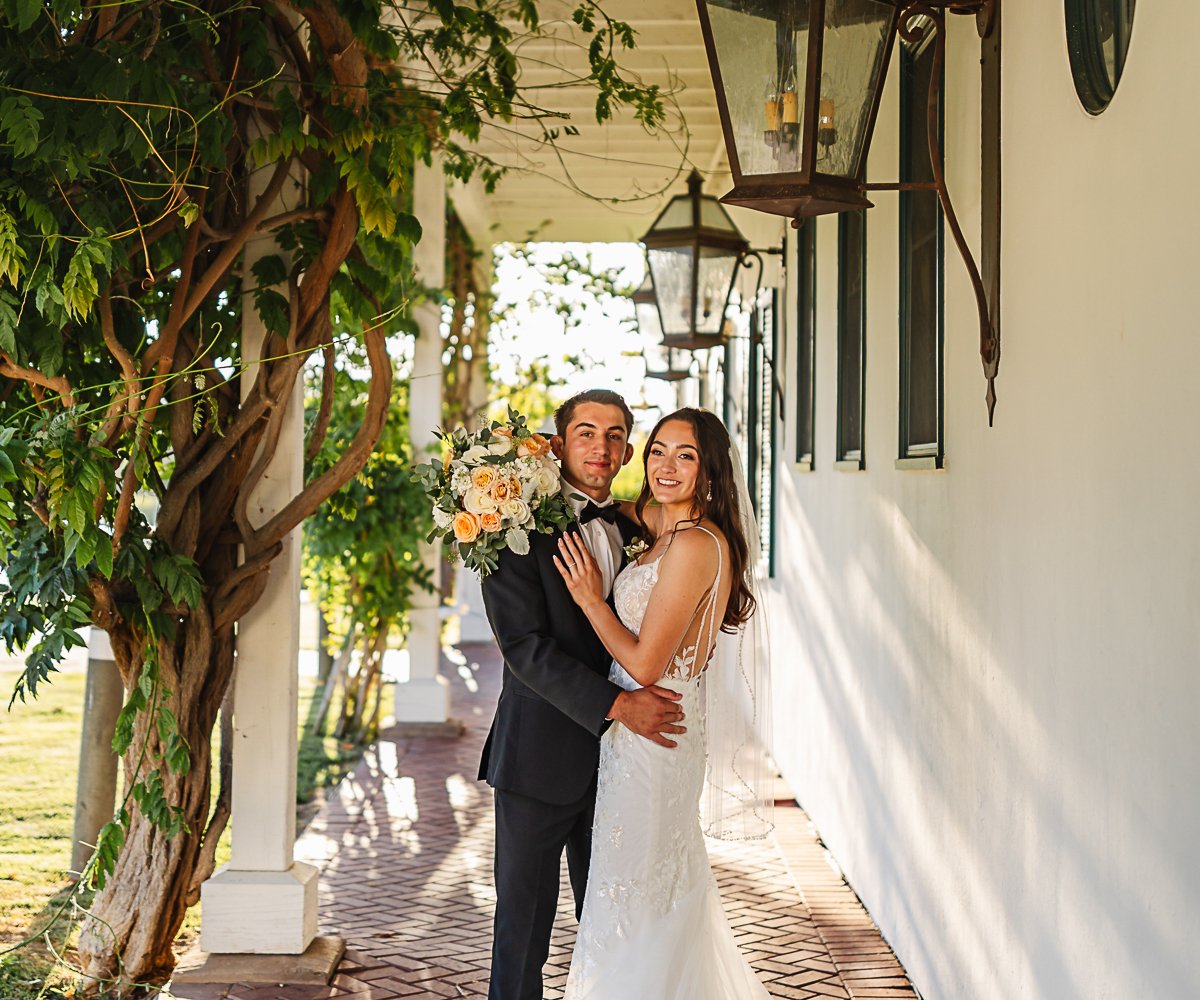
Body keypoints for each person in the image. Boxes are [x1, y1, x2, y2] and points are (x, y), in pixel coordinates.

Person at [554, 407, 772, 1000]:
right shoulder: (661, 524)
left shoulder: (697, 545)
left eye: (685, 455)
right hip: (636, 737)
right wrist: (541, 464)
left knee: (637, 891)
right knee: (636, 888)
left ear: (709, 471)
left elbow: (646, 664)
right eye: (657, 451)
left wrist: (591, 600)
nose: (666, 466)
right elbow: (613, 505)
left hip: (656, 734)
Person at [478, 389, 687, 1000]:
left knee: (618, 925)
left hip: (627, 767)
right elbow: (522, 647)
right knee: (523, 932)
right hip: (540, 758)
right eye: (587, 433)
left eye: (616, 434)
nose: (602, 446)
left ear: (628, 447)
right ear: (558, 441)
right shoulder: (510, 519)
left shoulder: (637, 524)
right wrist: (618, 705)